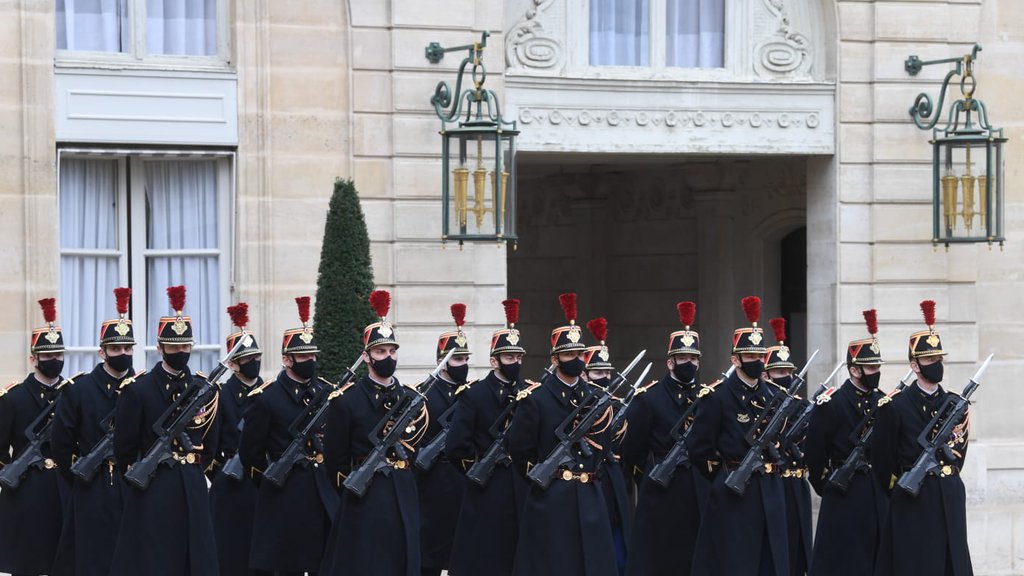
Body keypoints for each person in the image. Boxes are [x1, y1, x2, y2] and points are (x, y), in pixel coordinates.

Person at [110, 285, 220, 576]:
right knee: (157, 560)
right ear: (160, 348)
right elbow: (124, 448)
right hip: (155, 486)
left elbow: (211, 442)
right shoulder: (139, 390)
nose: (180, 352)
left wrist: (195, 469)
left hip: (192, 484)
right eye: (173, 347)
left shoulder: (204, 389)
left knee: (196, 559)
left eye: (185, 346)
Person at [507, 292, 617, 576]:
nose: (577, 360)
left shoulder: (596, 397)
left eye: (580, 354)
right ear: (555, 358)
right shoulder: (536, 399)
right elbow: (520, 450)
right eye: (569, 355)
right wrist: (547, 473)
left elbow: (604, 445)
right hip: (552, 496)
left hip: (590, 494)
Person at [321, 289, 425, 576]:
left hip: (402, 488)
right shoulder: (347, 400)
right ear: (366, 356)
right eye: (381, 352)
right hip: (366, 495)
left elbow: (416, 443)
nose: (388, 357)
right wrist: (357, 483)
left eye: (392, 351)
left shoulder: (408, 397)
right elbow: (335, 461)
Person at [686, 296, 789, 576]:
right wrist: (725, 475)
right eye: (750, 357)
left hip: (769, 488)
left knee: (771, 563)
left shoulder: (774, 395)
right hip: (735, 492)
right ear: (735, 359)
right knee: (736, 563)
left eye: (760, 357)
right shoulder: (718, 397)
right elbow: (699, 449)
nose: (757, 362)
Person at [871, 300, 974, 576]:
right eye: (930, 360)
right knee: (918, 565)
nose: (936, 364)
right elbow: (882, 464)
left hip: (949, 496)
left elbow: (959, 454)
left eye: (939, 359)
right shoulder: (894, 407)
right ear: (914, 365)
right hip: (914, 499)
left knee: (953, 563)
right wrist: (906, 485)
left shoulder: (954, 404)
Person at [239, 297, 337, 576]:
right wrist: (274, 480)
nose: (311, 360)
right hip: (286, 495)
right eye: (304, 356)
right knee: (288, 566)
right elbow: (251, 454)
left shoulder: (326, 392)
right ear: (286, 359)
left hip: (323, 491)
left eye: (313, 355)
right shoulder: (267, 399)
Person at [51, 288, 138, 576]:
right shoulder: (79, 390)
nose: (122, 354)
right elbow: (61, 444)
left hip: (135, 481)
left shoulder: (143, 386)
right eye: (116, 349)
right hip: (94, 483)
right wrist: (80, 475)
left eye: (127, 349)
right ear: (102, 352)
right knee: (93, 558)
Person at [622, 301, 709, 576]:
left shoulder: (707, 398)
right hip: (662, 489)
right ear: (670, 362)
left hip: (698, 487)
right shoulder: (649, 399)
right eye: (683, 359)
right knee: (661, 558)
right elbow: (633, 451)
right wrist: (648, 475)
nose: (690, 364)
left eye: (694, 359)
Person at [447, 299, 530, 576]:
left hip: (522, 483)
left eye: (519, 358)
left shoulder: (530, 394)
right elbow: (457, 446)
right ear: (494, 360)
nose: (515, 363)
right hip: (488, 486)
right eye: (509, 358)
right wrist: (480, 470)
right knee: (488, 556)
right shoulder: (475, 395)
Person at [804, 309, 889, 576]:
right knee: (846, 563)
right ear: (854, 370)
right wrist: (829, 486)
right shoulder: (833, 403)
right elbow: (815, 455)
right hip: (845, 493)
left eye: (877, 366)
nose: (875, 372)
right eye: (870, 367)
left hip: (877, 491)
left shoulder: (883, 402)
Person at [0, 298, 78, 576]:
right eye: (47, 356)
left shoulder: (73, 396)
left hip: (63, 488)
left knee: (65, 562)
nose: (54, 361)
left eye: (58, 355)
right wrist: (15, 473)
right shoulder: (14, 399)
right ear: (33, 359)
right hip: (26, 492)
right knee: (28, 564)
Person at [209, 303, 271, 576]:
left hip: (263, 480)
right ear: (233, 364)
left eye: (256, 357)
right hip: (231, 485)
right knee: (232, 555)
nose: (253, 362)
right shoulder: (219, 395)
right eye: (246, 359)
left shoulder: (270, 394)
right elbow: (208, 442)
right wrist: (220, 473)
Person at [415, 303, 470, 576]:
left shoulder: (470, 395)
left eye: (465, 359)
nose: (463, 364)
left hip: (462, 478)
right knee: (431, 556)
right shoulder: (423, 395)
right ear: (443, 361)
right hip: (433, 483)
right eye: (457, 359)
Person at [582, 317, 632, 575]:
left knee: (619, 556)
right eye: (598, 373)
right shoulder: (578, 408)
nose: (605, 378)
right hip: (587, 480)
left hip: (612, 482)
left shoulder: (616, 405)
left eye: (607, 373)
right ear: (585, 374)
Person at [762, 317, 812, 576]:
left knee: (799, 555)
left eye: (789, 372)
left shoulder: (801, 406)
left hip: (797, 486)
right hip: (775, 484)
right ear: (765, 374)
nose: (787, 377)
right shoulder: (763, 407)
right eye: (780, 373)